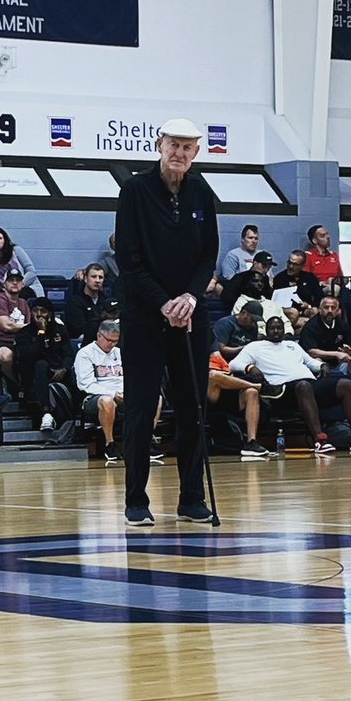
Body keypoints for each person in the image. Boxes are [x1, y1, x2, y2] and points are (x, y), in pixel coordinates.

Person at [115, 117, 218, 527]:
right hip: (144, 314)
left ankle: (191, 498)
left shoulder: (201, 191)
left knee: (194, 407)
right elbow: (129, 259)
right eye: (173, 145)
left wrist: (190, 297)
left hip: (190, 314)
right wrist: (164, 303)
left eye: (188, 147)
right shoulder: (135, 190)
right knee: (141, 408)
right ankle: (136, 500)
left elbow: (208, 254)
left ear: (195, 153)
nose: (180, 153)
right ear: (160, 145)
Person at [228, 316, 351, 455]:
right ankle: (320, 440)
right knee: (303, 386)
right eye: (272, 328)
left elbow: (310, 362)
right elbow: (234, 364)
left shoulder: (291, 345)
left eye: (279, 328)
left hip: (308, 383)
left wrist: (322, 366)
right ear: (266, 330)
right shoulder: (255, 346)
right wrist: (250, 368)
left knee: (347, 384)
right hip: (281, 391)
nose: (276, 331)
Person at [75, 319, 124, 464]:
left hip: (121, 393)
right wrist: (113, 393)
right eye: (109, 340)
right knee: (107, 401)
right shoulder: (85, 354)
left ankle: (147, 441)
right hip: (92, 398)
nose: (112, 344)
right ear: (99, 336)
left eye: (115, 341)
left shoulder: (120, 353)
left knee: (155, 399)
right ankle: (110, 444)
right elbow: (86, 385)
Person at [21, 299, 73, 431]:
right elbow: (28, 356)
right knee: (41, 364)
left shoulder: (60, 330)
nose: (39, 314)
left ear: (50, 314)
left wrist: (64, 369)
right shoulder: (24, 332)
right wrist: (41, 333)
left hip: (59, 371)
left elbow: (69, 354)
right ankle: (46, 413)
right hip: (35, 373)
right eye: (35, 311)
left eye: (43, 311)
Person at [205, 348, 267, 459]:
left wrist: (226, 378)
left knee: (251, 393)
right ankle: (256, 386)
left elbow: (230, 374)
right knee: (213, 376)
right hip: (208, 396)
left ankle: (251, 442)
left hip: (227, 392)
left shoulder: (217, 357)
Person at [0, 269, 32, 386]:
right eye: (11, 280)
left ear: (22, 284)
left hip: (18, 342)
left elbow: (29, 328)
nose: (15, 283)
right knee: (6, 356)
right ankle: (16, 385)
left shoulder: (24, 303)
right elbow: (6, 326)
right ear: (4, 284)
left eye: (18, 280)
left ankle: (29, 387)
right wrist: (28, 327)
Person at [302, 295, 351, 373]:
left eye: (333, 308)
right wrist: (336, 354)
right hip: (321, 362)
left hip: (341, 362)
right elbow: (311, 352)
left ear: (338, 311)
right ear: (319, 310)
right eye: (326, 307)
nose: (330, 311)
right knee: (317, 361)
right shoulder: (311, 326)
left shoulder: (342, 325)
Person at [271, 249, 324, 333]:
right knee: (294, 312)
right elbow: (275, 300)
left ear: (302, 265)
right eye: (289, 263)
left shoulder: (310, 278)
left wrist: (308, 305)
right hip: (286, 310)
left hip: (304, 309)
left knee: (314, 311)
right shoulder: (280, 278)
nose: (291, 266)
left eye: (295, 264)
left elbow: (319, 297)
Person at [0, 227, 42, 297]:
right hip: (3, 291)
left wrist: (19, 285)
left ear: (5, 240)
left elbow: (31, 271)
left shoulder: (16, 250)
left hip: (24, 287)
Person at [63, 262, 114, 346]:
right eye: (93, 277)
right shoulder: (74, 301)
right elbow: (77, 328)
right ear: (86, 279)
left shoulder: (106, 301)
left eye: (100, 277)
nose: (97, 280)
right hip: (82, 341)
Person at [304, 224, 344, 297]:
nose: (328, 237)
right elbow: (305, 279)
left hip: (335, 287)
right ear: (314, 240)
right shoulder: (308, 256)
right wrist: (322, 283)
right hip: (318, 289)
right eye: (323, 236)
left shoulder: (334, 255)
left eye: (327, 234)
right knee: (333, 289)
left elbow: (341, 277)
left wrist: (336, 280)